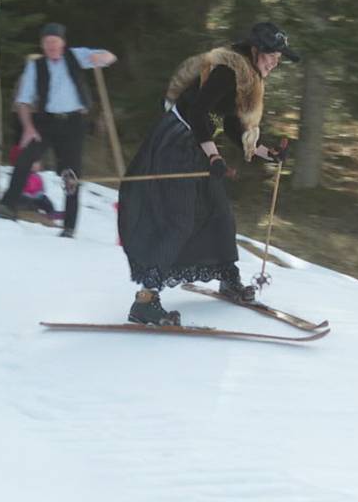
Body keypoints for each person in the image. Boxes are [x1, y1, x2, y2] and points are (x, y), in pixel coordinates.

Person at [116, 22, 297, 326]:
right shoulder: (228, 71)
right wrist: (213, 155)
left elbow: (228, 122)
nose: (275, 61)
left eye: (279, 56)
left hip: (198, 144)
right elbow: (199, 113)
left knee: (219, 213)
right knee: (180, 219)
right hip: (178, 142)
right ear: (256, 51)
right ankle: (145, 301)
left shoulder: (245, 74)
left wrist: (266, 152)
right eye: (272, 55)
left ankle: (229, 279)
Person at [0, 22, 117, 238]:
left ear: (63, 43)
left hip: (73, 122)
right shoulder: (35, 66)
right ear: (42, 45)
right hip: (45, 122)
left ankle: (69, 226)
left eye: (55, 42)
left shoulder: (76, 56)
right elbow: (24, 101)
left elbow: (110, 57)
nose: (51, 47)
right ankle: (8, 206)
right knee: (25, 159)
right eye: (47, 43)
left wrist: (100, 57)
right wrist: (28, 128)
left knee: (71, 174)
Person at [8, 145, 57, 217]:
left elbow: (41, 188)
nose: (37, 166)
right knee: (24, 200)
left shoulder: (38, 177)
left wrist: (40, 193)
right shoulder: (23, 174)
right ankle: (28, 209)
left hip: (36, 198)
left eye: (38, 164)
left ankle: (51, 212)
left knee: (45, 200)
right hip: (25, 196)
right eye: (34, 163)